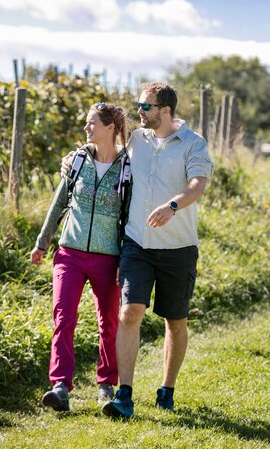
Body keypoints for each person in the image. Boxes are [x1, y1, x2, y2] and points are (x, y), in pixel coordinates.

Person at [64, 82, 212, 419]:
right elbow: (103, 151)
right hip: (136, 244)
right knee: (130, 313)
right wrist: (72, 159)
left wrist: (172, 205)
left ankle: (167, 389)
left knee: (175, 321)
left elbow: (198, 184)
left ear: (165, 110)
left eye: (145, 107)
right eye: (139, 106)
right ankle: (124, 394)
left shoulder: (193, 144)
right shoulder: (136, 140)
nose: (139, 112)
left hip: (178, 247)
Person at [31, 102, 129, 412]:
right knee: (63, 319)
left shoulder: (128, 167)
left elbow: (130, 217)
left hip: (108, 258)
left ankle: (106, 385)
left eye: (92, 123)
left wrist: (125, 261)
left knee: (109, 323)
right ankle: (60, 386)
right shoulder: (76, 161)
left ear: (110, 127)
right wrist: (42, 243)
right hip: (69, 253)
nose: (87, 128)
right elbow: (59, 202)